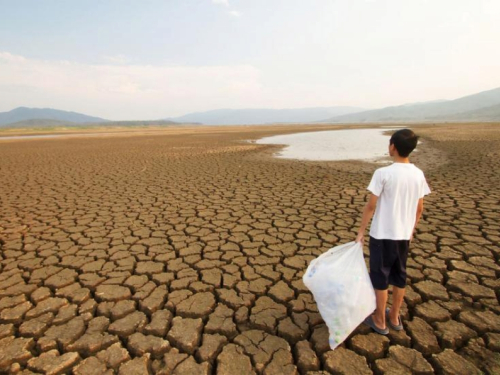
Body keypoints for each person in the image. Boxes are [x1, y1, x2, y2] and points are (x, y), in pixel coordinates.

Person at [355, 128, 431, 335]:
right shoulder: (418, 174)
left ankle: (379, 320)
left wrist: (361, 231)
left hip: (382, 235)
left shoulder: (383, 173)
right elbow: (419, 208)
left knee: (380, 277)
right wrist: (412, 230)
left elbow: (371, 206)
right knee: (399, 275)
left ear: (393, 147)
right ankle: (395, 316)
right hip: (403, 236)